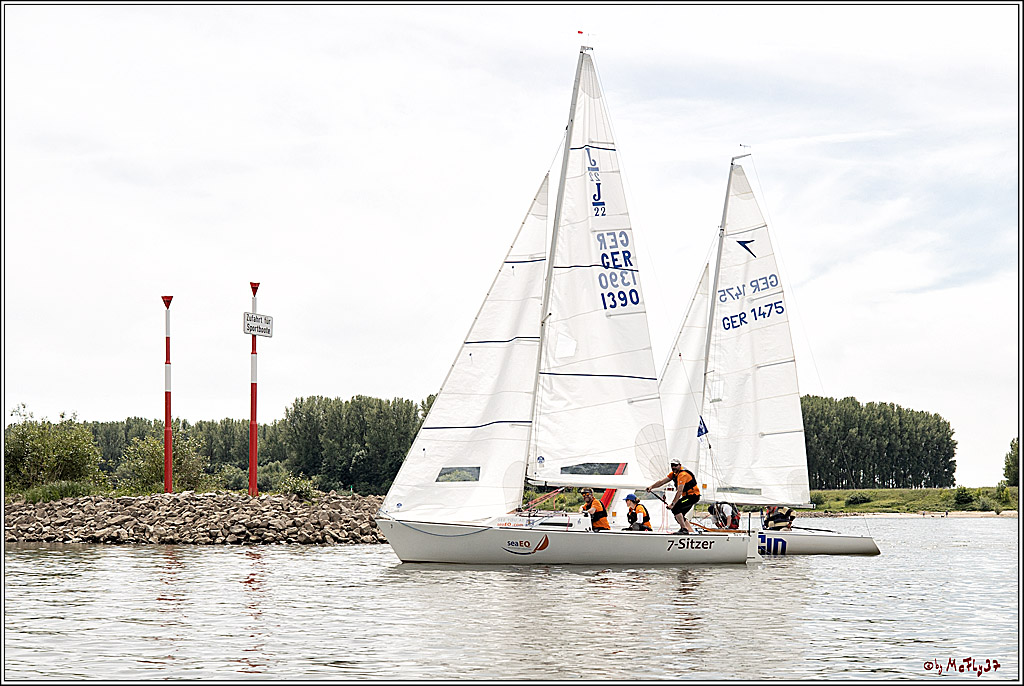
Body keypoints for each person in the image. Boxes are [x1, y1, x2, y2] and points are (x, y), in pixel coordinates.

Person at [646, 460, 700, 534]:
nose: (673, 467)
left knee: (675, 508)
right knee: (679, 514)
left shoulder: (682, 474)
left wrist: (673, 503)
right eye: (672, 465)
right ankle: (690, 531)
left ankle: (684, 529)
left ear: (679, 465)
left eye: (675, 465)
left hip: (693, 496)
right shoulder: (674, 474)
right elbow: (662, 482)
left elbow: (680, 491)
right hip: (688, 496)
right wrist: (651, 487)